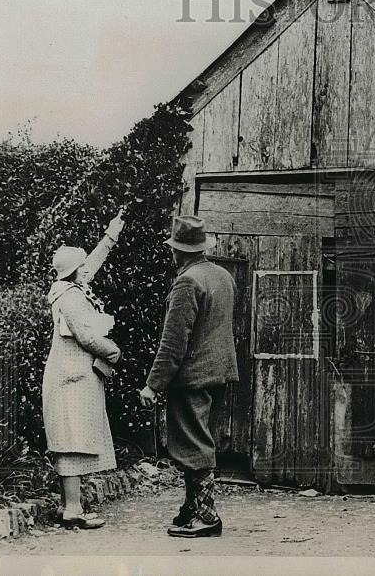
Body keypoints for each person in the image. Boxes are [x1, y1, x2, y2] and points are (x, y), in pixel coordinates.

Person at [139, 215, 238, 538]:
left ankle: (208, 516)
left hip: (193, 376)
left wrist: (154, 384)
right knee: (202, 440)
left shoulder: (187, 281)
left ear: (177, 251)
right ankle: (192, 508)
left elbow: (173, 340)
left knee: (193, 445)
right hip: (219, 372)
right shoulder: (222, 275)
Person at [42, 209, 126, 529]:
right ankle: (73, 510)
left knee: (73, 440)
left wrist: (111, 234)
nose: (84, 271)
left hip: (70, 377)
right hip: (71, 380)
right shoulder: (72, 300)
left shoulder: (68, 288)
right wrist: (115, 352)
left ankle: (71, 508)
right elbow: (88, 337)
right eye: (80, 268)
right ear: (73, 273)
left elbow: (91, 264)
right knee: (72, 441)